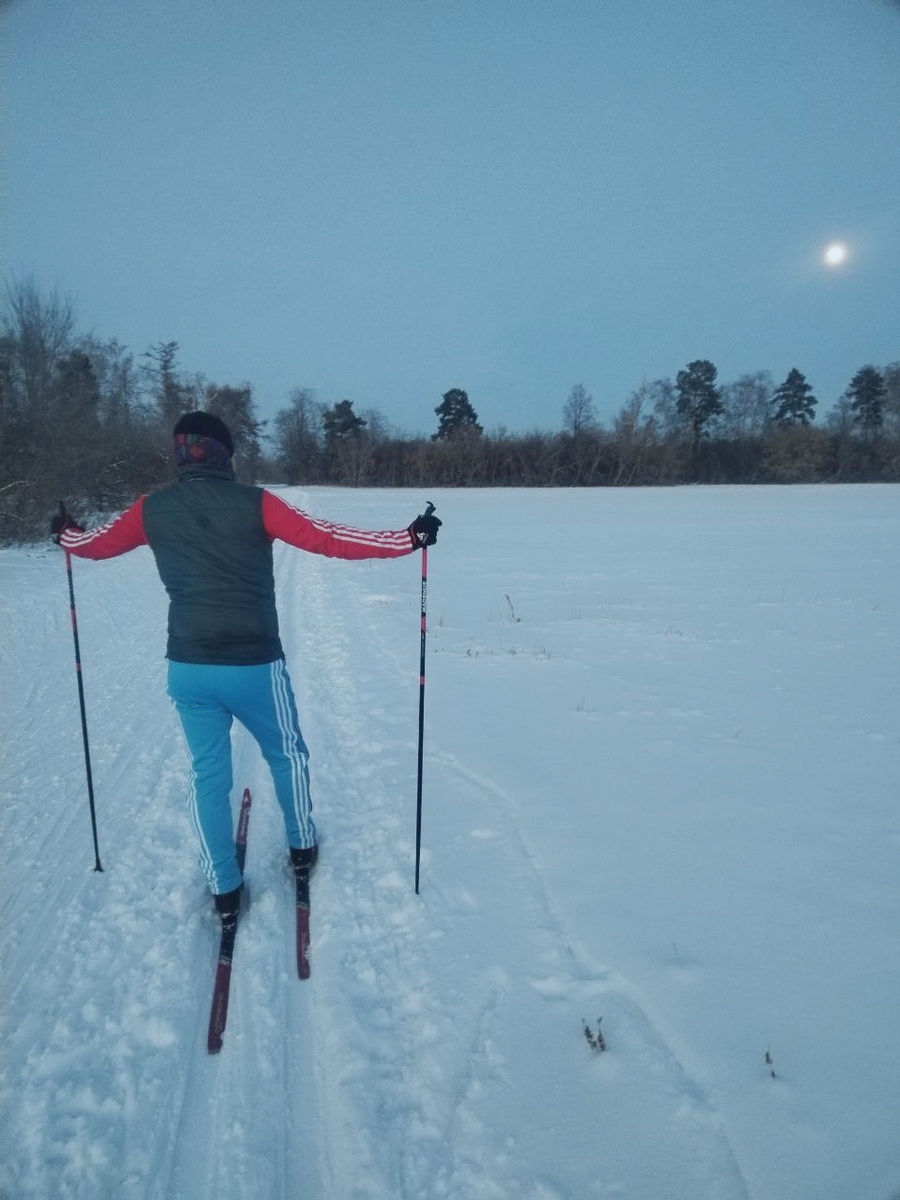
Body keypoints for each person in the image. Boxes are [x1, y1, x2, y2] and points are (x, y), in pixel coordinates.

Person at [52, 410, 441, 926]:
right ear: (225, 455)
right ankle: (301, 847)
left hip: (188, 668)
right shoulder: (256, 503)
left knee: (208, 774)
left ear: (180, 454)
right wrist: (408, 538)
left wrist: (65, 535)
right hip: (254, 662)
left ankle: (223, 887)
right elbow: (326, 538)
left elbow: (92, 546)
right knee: (288, 755)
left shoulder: (152, 509)